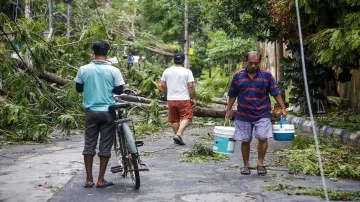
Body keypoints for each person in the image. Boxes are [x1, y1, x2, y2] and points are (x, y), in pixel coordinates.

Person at [226, 51, 286, 176]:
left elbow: (275, 92)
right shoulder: (238, 76)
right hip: (243, 114)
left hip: (262, 113)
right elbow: (232, 94)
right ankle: (246, 165)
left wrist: (282, 107)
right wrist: (228, 109)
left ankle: (260, 163)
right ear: (246, 62)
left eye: (256, 63)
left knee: (263, 138)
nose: (253, 65)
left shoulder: (267, 76)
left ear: (259, 62)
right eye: (250, 63)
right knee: (245, 140)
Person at [75, 40, 125, 188]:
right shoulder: (114, 70)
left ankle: (89, 179)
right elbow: (119, 90)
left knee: (89, 145)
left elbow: (78, 88)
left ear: (93, 52)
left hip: (91, 112)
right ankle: (101, 179)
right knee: (105, 146)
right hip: (108, 112)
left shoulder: (83, 69)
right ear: (107, 52)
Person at [161, 52, 196, 145]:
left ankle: (177, 136)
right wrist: (193, 98)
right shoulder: (187, 71)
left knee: (174, 119)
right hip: (183, 99)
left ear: (174, 60)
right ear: (183, 60)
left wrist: (167, 93)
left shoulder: (167, 71)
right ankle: (179, 134)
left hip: (171, 99)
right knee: (187, 116)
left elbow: (162, 85)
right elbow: (191, 86)